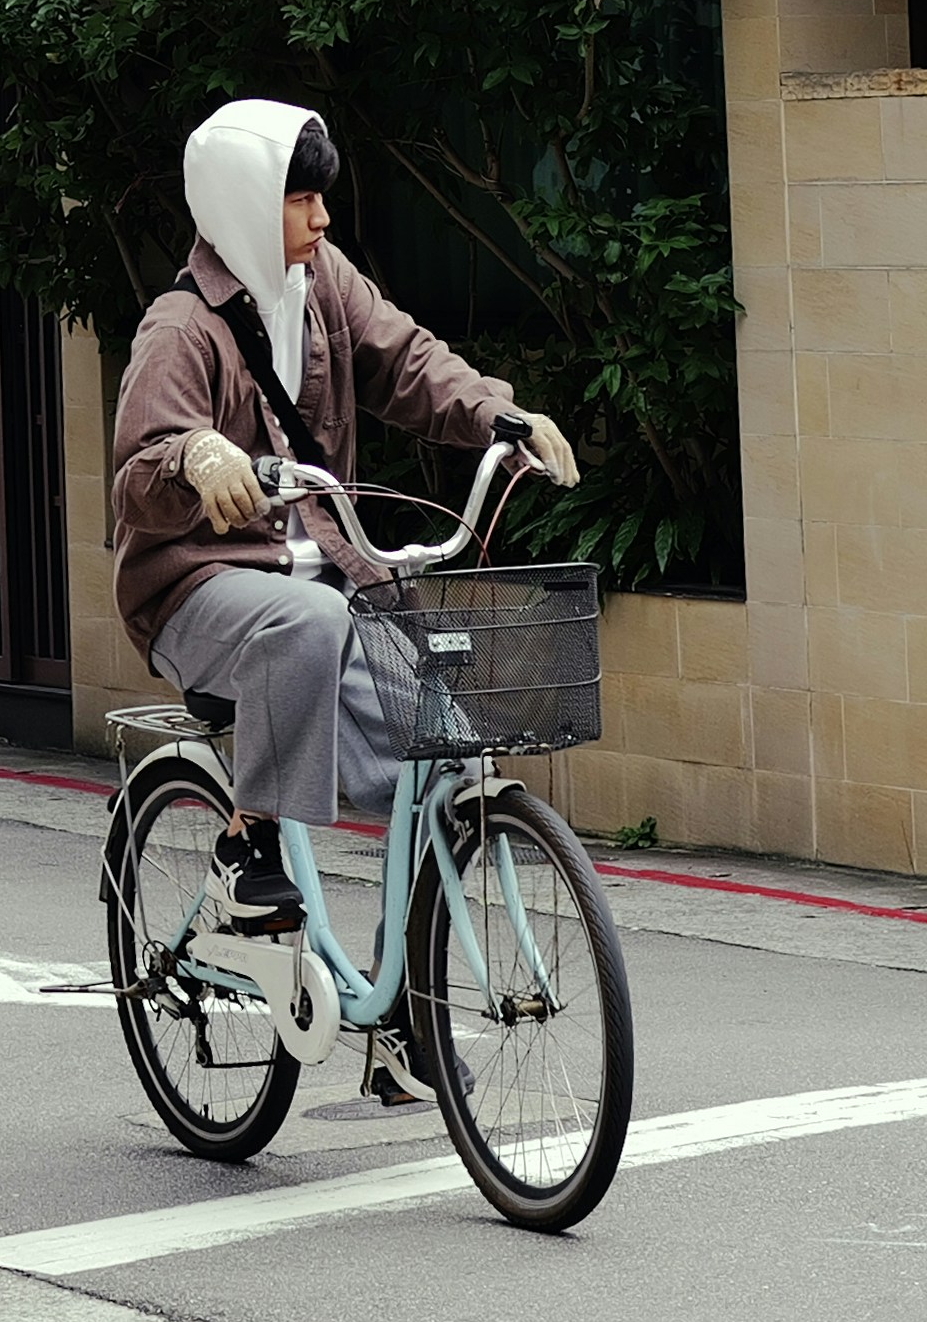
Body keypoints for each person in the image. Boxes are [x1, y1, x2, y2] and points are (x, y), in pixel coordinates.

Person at [110, 98, 579, 955]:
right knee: (308, 618)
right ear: (243, 201)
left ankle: (404, 1012)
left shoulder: (321, 280)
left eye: (321, 198)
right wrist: (195, 458)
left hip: (328, 575)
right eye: (298, 198)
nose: (321, 217)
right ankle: (246, 844)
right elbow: (139, 472)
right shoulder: (181, 328)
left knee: (448, 759)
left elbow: (406, 358)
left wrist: (498, 416)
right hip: (197, 592)